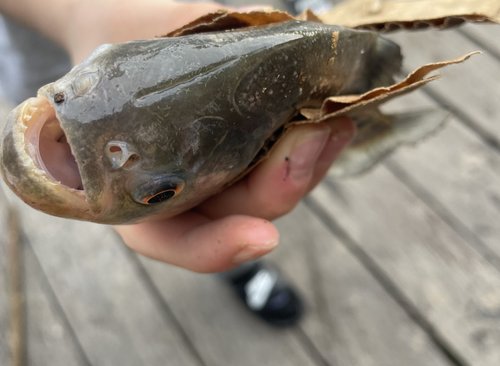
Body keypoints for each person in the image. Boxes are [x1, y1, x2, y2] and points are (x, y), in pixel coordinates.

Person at [0, 0, 355, 325]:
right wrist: (80, 14)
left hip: (220, 26)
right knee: (210, 224)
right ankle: (239, 270)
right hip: (50, 45)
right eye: (157, 192)